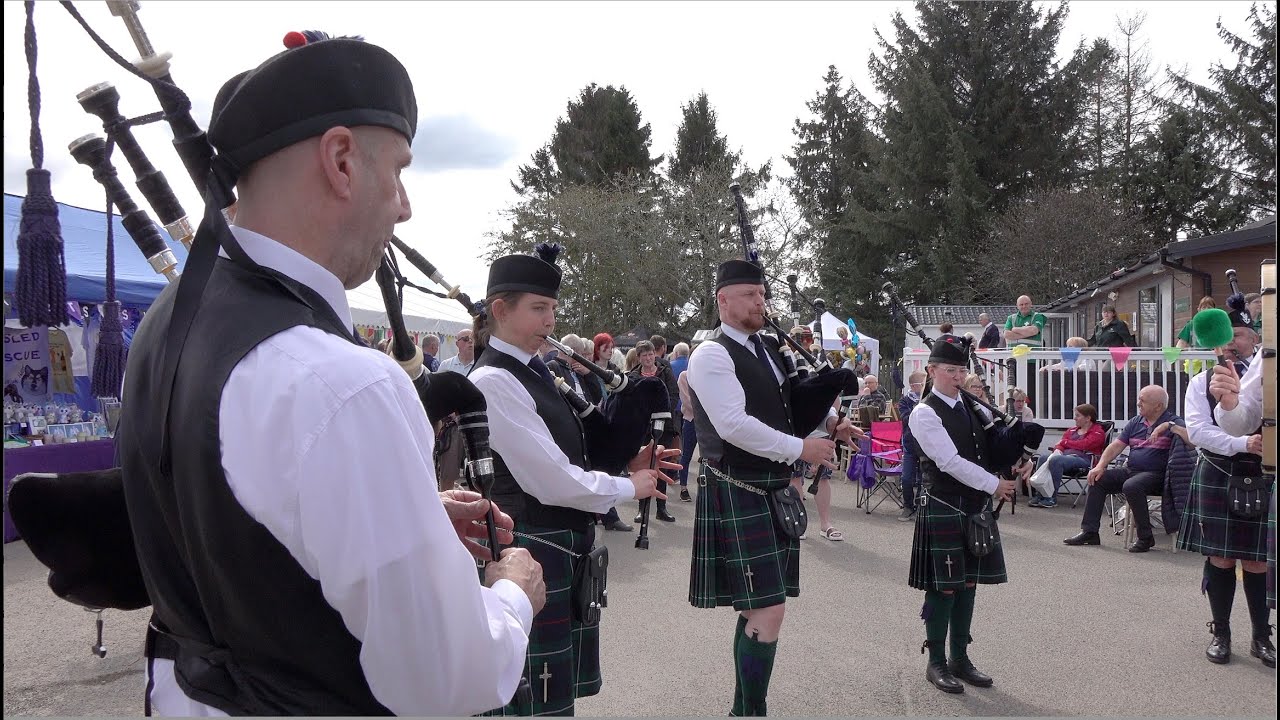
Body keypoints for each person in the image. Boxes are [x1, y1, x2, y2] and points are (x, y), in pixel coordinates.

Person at [114, 35, 544, 715]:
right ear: (342, 160)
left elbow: (232, 532)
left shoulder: (166, 322)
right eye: (398, 171)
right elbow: (444, 679)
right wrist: (514, 592)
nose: (403, 206)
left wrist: (402, 521)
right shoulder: (342, 382)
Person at [469, 250, 677, 715]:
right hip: (531, 545)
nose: (550, 320)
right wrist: (629, 488)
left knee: (555, 699)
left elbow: (574, 448)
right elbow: (551, 480)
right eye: (538, 309)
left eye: (553, 309)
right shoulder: (492, 380)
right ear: (501, 311)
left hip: (559, 545)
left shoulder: (535, 367)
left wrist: (628, 462)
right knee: (533, 701)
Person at [687, 260, 857, 715]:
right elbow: (733, 425)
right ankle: (751, 711)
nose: (760, 301)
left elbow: (785, 406)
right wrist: (801, 447)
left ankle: (744, 710)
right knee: (768, 610)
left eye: (762, 294)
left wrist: (830, 424)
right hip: (738, 485)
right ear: (723, 300)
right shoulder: (712, 353)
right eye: (749, 295)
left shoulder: (768, 349)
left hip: (771, 488)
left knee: (756, 609)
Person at [907, 334, 1017, 694]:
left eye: (961, 370)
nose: (956, 376)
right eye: (950, 370)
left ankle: (960, 658)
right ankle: (936, 662)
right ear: (932, 370)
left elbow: (989, 448)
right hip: (944, 505)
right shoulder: (924, 414)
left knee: (968, 584)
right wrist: (993, 485)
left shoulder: (973, 409)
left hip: (973, 509)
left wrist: (1018, 447)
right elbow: (949, 462)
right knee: (944, 588)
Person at [1176, 305, 1273, 667]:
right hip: (1220, 470)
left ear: (1255, 340)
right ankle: (1221, 633)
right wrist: (1242, 443)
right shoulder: (1201, 382)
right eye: (1226, 335)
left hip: (1265, 474)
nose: (1232, 342)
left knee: (1258, 561)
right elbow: (1198, 432)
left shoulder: (1268, 377)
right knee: (1220, 556)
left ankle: (1262, 638)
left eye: (1241, 335)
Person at [1064, 386, 1187, 553]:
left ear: (1158, 406)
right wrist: (1099, 466)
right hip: (1132, 471)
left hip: (1159, 475)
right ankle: (1090, 532)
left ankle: (1145, 537)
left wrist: (1169, 426)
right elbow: (1116, 446)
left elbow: (1192, 439)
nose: (1138, 403)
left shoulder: (1174, 421)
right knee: (1098, 479)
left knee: (1132, 485)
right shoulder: (1136, 422)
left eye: (1142, 401)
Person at [632, 340, 679, 524]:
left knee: (661, 466)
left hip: (664, 426)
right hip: (643, 427)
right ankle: (641, 510)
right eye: (644, 355)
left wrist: (662, 412)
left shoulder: (665, 372)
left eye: (651, 354)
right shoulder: (634, 376)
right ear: (639, 358)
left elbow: (673, 395)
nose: (649, 358)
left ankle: (661, 508)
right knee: (644, 467)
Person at [1028, 404, 1105, 508]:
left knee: (1057, 460)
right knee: (1043, 458)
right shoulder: (1072, 430)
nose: (1074, 418)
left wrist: (1065, 443)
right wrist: (1058, 449)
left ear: (1088, 418)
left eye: (1078, 415)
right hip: (1064, 458)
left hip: (1084, 460)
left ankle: (1051, 498)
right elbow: (1060, 444)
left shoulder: (1098, 432)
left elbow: (1084, 445)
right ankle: (1040, 494)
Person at [897, 370, 927, 522]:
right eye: (923, 384)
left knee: (924, 479)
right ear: (914, 386)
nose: (925, 387)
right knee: (907, 478)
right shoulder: (904, 401)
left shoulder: (929, 400)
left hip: (925, 446)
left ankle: (919, 508)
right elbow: (907, 419)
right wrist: (920, 407)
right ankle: (907, 506)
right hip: (909, 445)